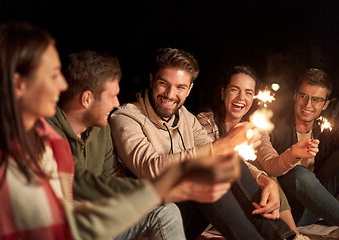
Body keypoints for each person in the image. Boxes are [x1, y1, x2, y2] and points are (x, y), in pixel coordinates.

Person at [0, 22, 241, 240]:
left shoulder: (52, 140)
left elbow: (91, 182)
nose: (61, 84)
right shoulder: (3, 152)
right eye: (52, 74)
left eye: (181, 87)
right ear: (19, 84)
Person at [110, 48, 298, 240]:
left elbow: (222, 156)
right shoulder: (126, 117)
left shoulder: (186, 119)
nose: (170, 94)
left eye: (180, 87)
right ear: (151, 81)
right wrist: (221, 146)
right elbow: (151, 168)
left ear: (189, 89)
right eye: (163, 84)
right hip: (151, 221)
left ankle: (283, 237)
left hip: (186, 216)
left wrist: (264, 180)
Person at [47, 50, 187, 239]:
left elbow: (111, 177)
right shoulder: (46, 132)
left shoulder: (100, 129)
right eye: (112, 96)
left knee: (164, 212)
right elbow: (72, 188)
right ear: (87, 99)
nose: (116, 103)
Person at [196, 65, 309, 239]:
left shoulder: (255, 127)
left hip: (251, 203)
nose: (241, 98)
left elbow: (271, 164)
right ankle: (289, 235)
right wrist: (262, 178)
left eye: (249, 92)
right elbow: (221, 162)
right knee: (264, 178)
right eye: (235, 90)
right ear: (222, 92)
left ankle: (292, 234)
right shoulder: (204, 123)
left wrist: (293, 153)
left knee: (271, 179)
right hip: (217, 202)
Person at [265, 68, 339, 226]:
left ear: (325, 105)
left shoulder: (325, 130)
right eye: (303, 96)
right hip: (290, 211)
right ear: (295, 96)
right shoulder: (274, 128)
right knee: (298, 173)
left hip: (319, 205)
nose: (308, 104)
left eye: (316, 100)